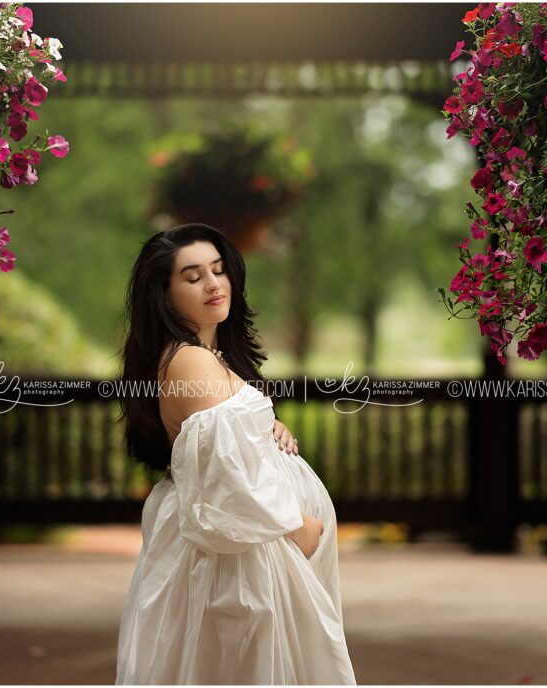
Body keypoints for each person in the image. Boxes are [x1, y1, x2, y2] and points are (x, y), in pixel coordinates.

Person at [115, 223, 357, 684]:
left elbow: (223, 438)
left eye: (219, 270)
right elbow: (226, 476)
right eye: (192, 276)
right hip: (241, 553)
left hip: (252, 545)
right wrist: (299, 527)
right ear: (164, 294)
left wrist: (267, 427)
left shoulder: (206, 355)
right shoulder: (190, 359)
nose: (213, 284)